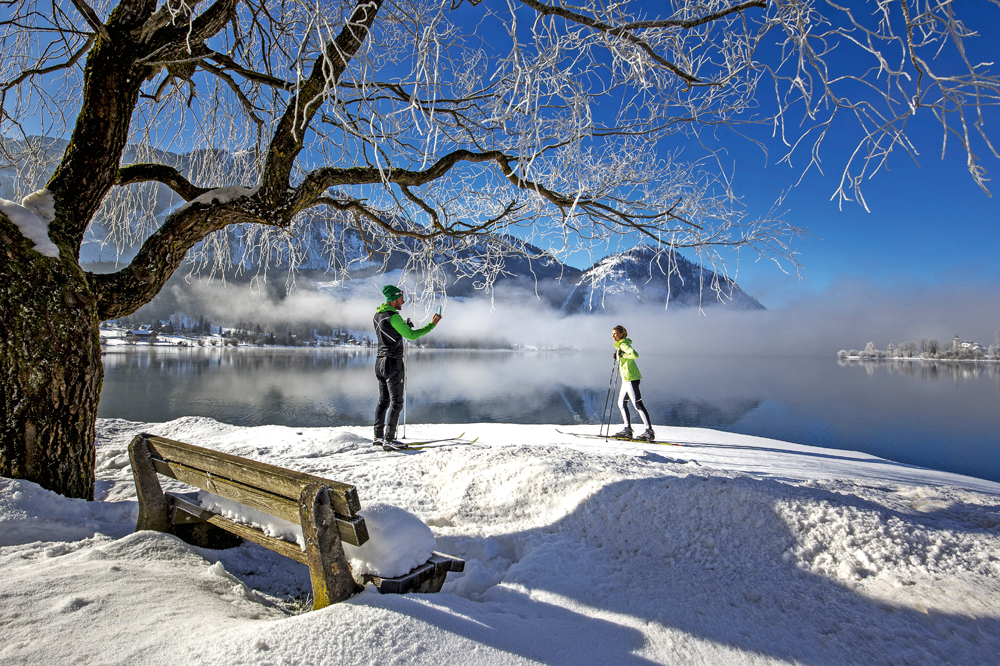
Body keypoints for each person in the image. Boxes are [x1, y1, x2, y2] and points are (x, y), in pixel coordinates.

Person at [373, 285, 442, 449]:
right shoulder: (393, 316)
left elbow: (390, 334)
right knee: (396, 402)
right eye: (401, 299)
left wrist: (403, 326)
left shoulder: (378, 315)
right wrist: (432, 324)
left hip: (380, 361)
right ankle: (389, 441)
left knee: (383, 401)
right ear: (394, 299)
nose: (403, 302)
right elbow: (411, 335)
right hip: (392, 363)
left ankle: (378, 437)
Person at [611, 325, 655, 441]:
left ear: (622, 334)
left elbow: (635, 355)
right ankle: (627, 430)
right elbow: (625, 358)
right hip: (626, 379)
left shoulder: (624, 345)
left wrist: (623, 355)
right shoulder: (620, 345)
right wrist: (618, 356)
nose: (613, 336)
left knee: (637, 405)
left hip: (631, 378)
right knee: (621, 403)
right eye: (612, 334)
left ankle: (649, 432)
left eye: (615, 334)